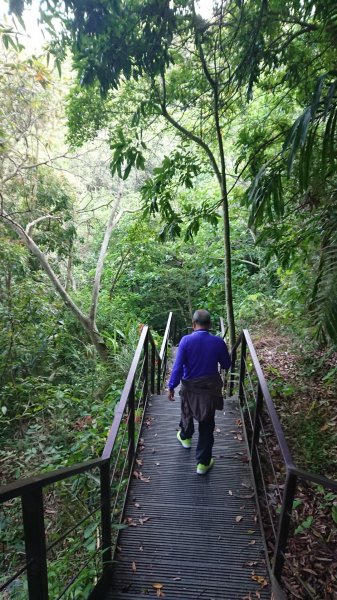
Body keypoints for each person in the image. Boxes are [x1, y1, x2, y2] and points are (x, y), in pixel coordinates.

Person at [168, 309, 231, 475]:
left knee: (187, 412)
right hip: (209, 390)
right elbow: (226, 365)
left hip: (189, 388)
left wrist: (171, 386)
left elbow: (178, 367)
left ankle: (186, 437)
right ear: (209, 325)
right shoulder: (218, 342)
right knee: (207, 423)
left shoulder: (185, 341)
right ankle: (203, 463)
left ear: (193, 324)